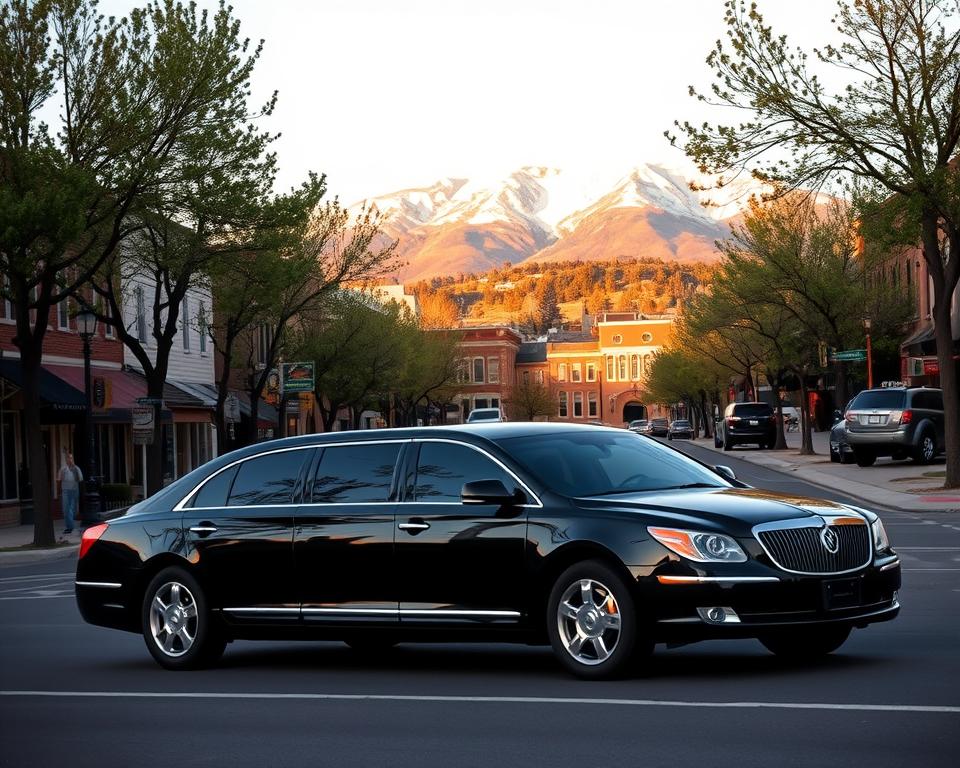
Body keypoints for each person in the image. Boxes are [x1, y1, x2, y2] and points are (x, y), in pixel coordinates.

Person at [58, 452, 83, 535]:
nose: (69, 459)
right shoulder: (63, 469)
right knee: (66, 509)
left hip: (74, 490)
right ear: (66, 459)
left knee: (72, 509)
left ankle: (70, 527)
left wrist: (74, 469)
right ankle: (69, 527)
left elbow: (79, 479)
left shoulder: (76, 468)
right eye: (68, 458)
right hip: (65, 490)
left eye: (71, 458)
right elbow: (59, 479)